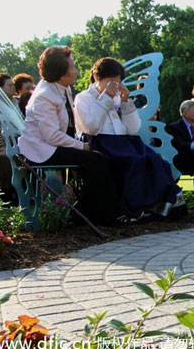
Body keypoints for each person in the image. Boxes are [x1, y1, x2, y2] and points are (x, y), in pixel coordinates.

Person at [18, 46, 121, 224]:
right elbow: (51, 136)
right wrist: (82, 146)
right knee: (96, 160)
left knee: (98, 158)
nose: (76, 71)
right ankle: (105, 216)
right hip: (41, 151)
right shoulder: (44, 96)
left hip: (53, 145)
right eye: (72, 68)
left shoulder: (61, 88)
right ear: (61, 74)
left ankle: (87, 211)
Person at [74, 57, 183, 219]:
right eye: (110, 82)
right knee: (132, 162)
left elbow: (132, 129)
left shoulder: (118, 97)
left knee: (154, 160)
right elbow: (92, 128)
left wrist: (126, 103)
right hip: (101, 143)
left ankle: (158, 204)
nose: (114, 87)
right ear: (98, 78)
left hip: (124, 141)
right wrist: (105, 98)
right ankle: (132, 209)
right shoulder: (84, 97)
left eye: (117, 82)